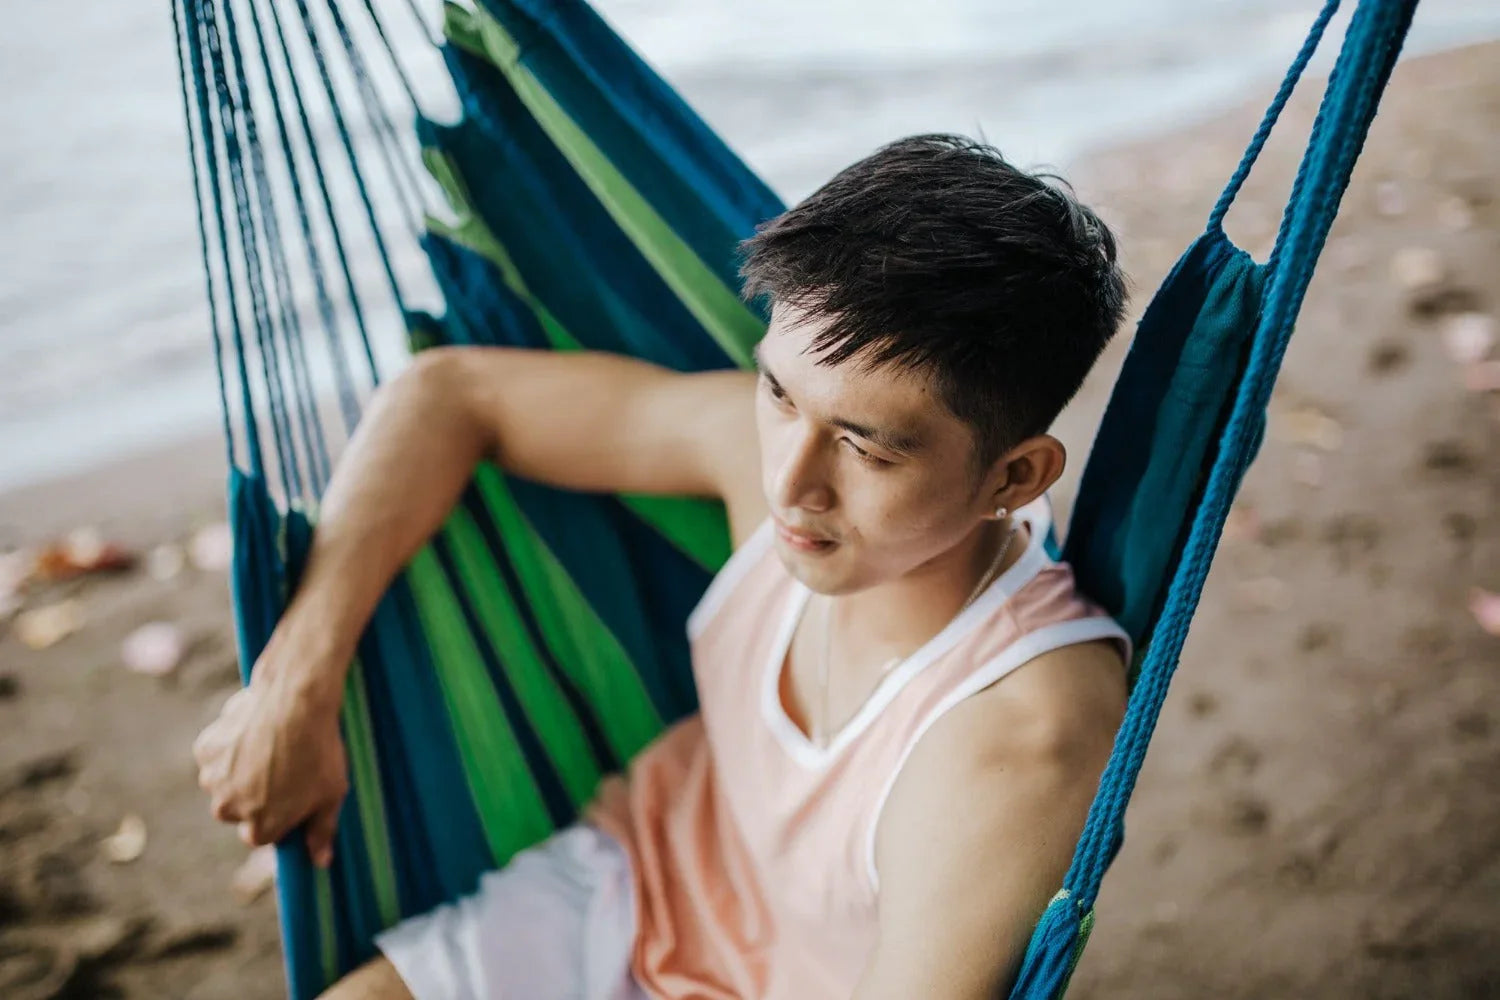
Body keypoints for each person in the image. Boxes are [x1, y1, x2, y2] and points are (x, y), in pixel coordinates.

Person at [194, 134, 1132, 1000]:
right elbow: (452, 395)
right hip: (628, 882)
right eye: (778, 391)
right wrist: (294, 688)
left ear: (1014, 475)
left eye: (867, 448)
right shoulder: (760, 456)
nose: (790, 482)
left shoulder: (1010, 737)